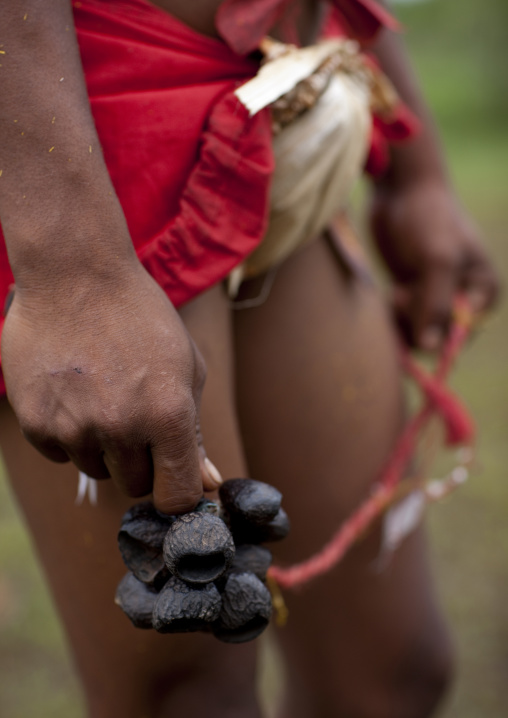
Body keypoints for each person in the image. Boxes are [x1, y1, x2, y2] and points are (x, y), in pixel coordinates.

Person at [0, 1, 499, 717]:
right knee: (189, 687)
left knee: (390, 674)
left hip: (275, 88)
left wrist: (415, 167)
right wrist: (73, 266)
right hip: (81, 129)